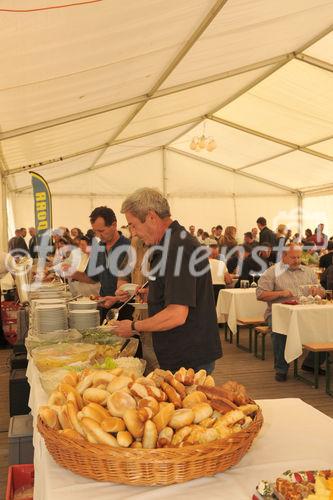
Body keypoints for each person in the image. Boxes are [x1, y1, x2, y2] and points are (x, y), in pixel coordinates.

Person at [113, 188, 222, 373]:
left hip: (188, 357)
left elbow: (176, 314)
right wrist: (155, 293)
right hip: (183, 353)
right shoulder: (170, 244)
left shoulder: (176, 249)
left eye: (133, 225)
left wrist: (133, 326)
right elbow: (183, 291)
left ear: (151, 218)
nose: (133, 233)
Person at [257, 244, 325, 382]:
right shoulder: (272, 272)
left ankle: (311, 364)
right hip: (279, 314)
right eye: (293, 257)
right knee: (279, 330)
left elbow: (322, 292)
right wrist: (281, 293)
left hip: (306, 313)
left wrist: (318, 292)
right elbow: (260, 294)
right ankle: (281, 368)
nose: (297, 260)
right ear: (283, 256)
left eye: (299, 257)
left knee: (326, 327)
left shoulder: (308, 272)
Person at [65, 206, 131, 323]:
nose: (98, 235)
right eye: (95, 231)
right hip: (104, 308)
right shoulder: (98, 248)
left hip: (126, 309)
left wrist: (116, 298)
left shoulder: (129, 247)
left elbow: (134, 283)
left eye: (101, 231)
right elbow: (91, 278)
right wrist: (72, 273)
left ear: (114, 225)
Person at [207, 239, 232, 303]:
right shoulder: (221, 263)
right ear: (217, 253)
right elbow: (229, 281)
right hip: (220, 290)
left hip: (207, 290)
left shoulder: (201, 264)